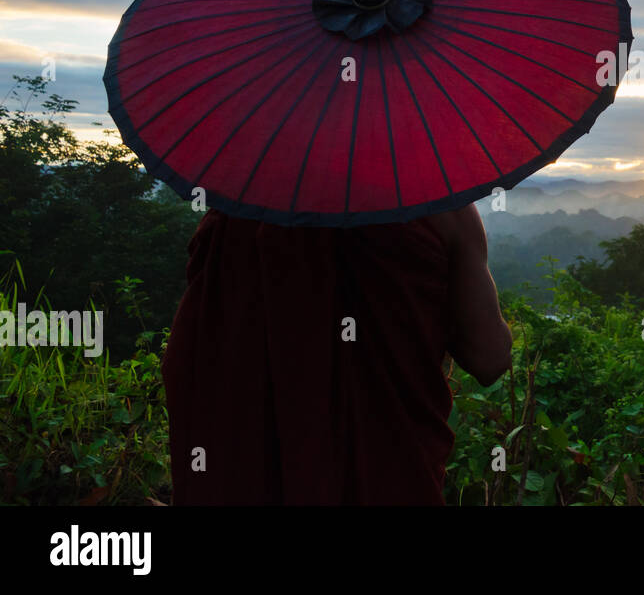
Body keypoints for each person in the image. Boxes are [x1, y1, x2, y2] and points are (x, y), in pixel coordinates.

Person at [161, 201, 513, 505]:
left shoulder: (241, 210)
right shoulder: (441, 209)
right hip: (389, 474)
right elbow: (490, 358)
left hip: (249, 474)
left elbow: (190, 354)